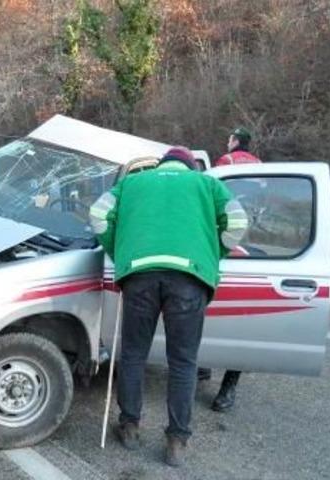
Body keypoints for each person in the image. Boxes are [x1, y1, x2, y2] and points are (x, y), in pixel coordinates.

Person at [91, 147, 247, 467]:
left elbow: (97, 214)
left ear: (162, 165)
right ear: (189, 167)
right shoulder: (206, 184)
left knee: (134, 354)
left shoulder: (134, 183)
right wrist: (212, 252)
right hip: (189, 277)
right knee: (183, 362)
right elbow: (238, 221)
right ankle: (177, 441)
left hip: (139, 274)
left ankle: (130, 426)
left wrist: (118, 250)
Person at [202, 127, 263, 413]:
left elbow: (213, 196)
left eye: (230, 138)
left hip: (224, 235)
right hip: (251, 236)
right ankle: (227, 389)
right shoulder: (260, 164)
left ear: (235, 141)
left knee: (207, 307)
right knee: (240, 320)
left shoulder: (226, 162)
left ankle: (204, 367)